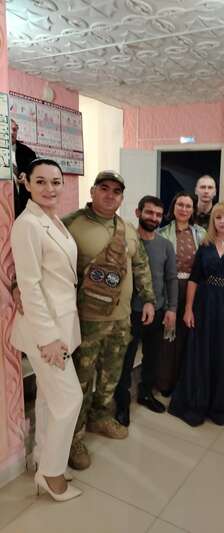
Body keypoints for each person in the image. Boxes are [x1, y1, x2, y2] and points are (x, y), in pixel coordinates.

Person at [64, 171, 155, 470]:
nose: (110, 195)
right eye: (104, 188)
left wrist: (149, 299)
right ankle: (73, 438)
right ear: (92, 191)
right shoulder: (70, 224)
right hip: (86, 320)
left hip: (121, 319)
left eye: (116, 191)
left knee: (111, 376)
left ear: (121, 198)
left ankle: (100, 416)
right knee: (80, 381)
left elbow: (140, 265)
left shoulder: (127, 229)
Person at [10, 159, 83, 501]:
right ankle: (51, 474)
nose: (49, 188)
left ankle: (42, 456)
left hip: (62, 322)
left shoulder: (53, 219)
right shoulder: (27, 224)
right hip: (45, 331)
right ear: (26, 183)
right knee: (70, 399)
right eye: (40, 182)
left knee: (48, 398)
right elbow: (30, 286)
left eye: (55, 181)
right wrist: (48, 339)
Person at [169, 202, 224, 426]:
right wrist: (188, 308)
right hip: (205, 305)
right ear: (213, 221)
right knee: (202, 351)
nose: (222, 222)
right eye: (218, 217)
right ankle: (200, 400)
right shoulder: (205, 246)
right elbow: (195, 279)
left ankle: (221, 403)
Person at [114, 196, 178, 425]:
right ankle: (121, 403)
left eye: (158, 215)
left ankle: (145, 393)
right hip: (130, 312)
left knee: (152, 356)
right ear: (138, 212)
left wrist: (172, 309)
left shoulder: (165, 245)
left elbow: (171, 279)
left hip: (158, 310)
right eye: (149, 212)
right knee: (126, 359)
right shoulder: (126, 241)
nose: (154, 218)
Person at [156, 192, 206, 396]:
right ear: (173, 207)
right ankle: (165, 382)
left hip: (194, 288)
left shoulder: (201, 233)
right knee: (168, 335)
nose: (184, 209)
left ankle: (184, 381)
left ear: (193, 210)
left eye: (188, 206)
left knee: (188, 335)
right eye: (180, 205)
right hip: (170, 286)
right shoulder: (162, 232)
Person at [10, 119, 37, 217]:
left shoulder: (28, 152)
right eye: (8, 129)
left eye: (14, 129)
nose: (12, 133)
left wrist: (27, 175)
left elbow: (36, 172)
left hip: (24, 202)